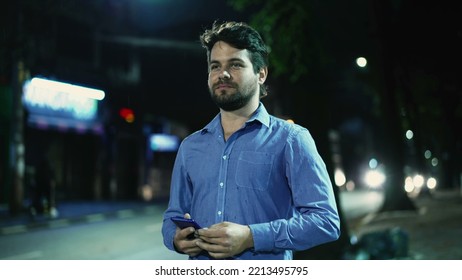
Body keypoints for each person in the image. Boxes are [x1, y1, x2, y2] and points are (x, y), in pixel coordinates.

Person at [161, 21, 340, 260]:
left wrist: (251, 236)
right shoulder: (191, 147)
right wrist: (174, 238)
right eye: (215, 66)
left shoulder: (291, 140)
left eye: (235, 64)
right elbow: (173, 214)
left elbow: (326, 222)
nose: (222, 74)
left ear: (261, 73)